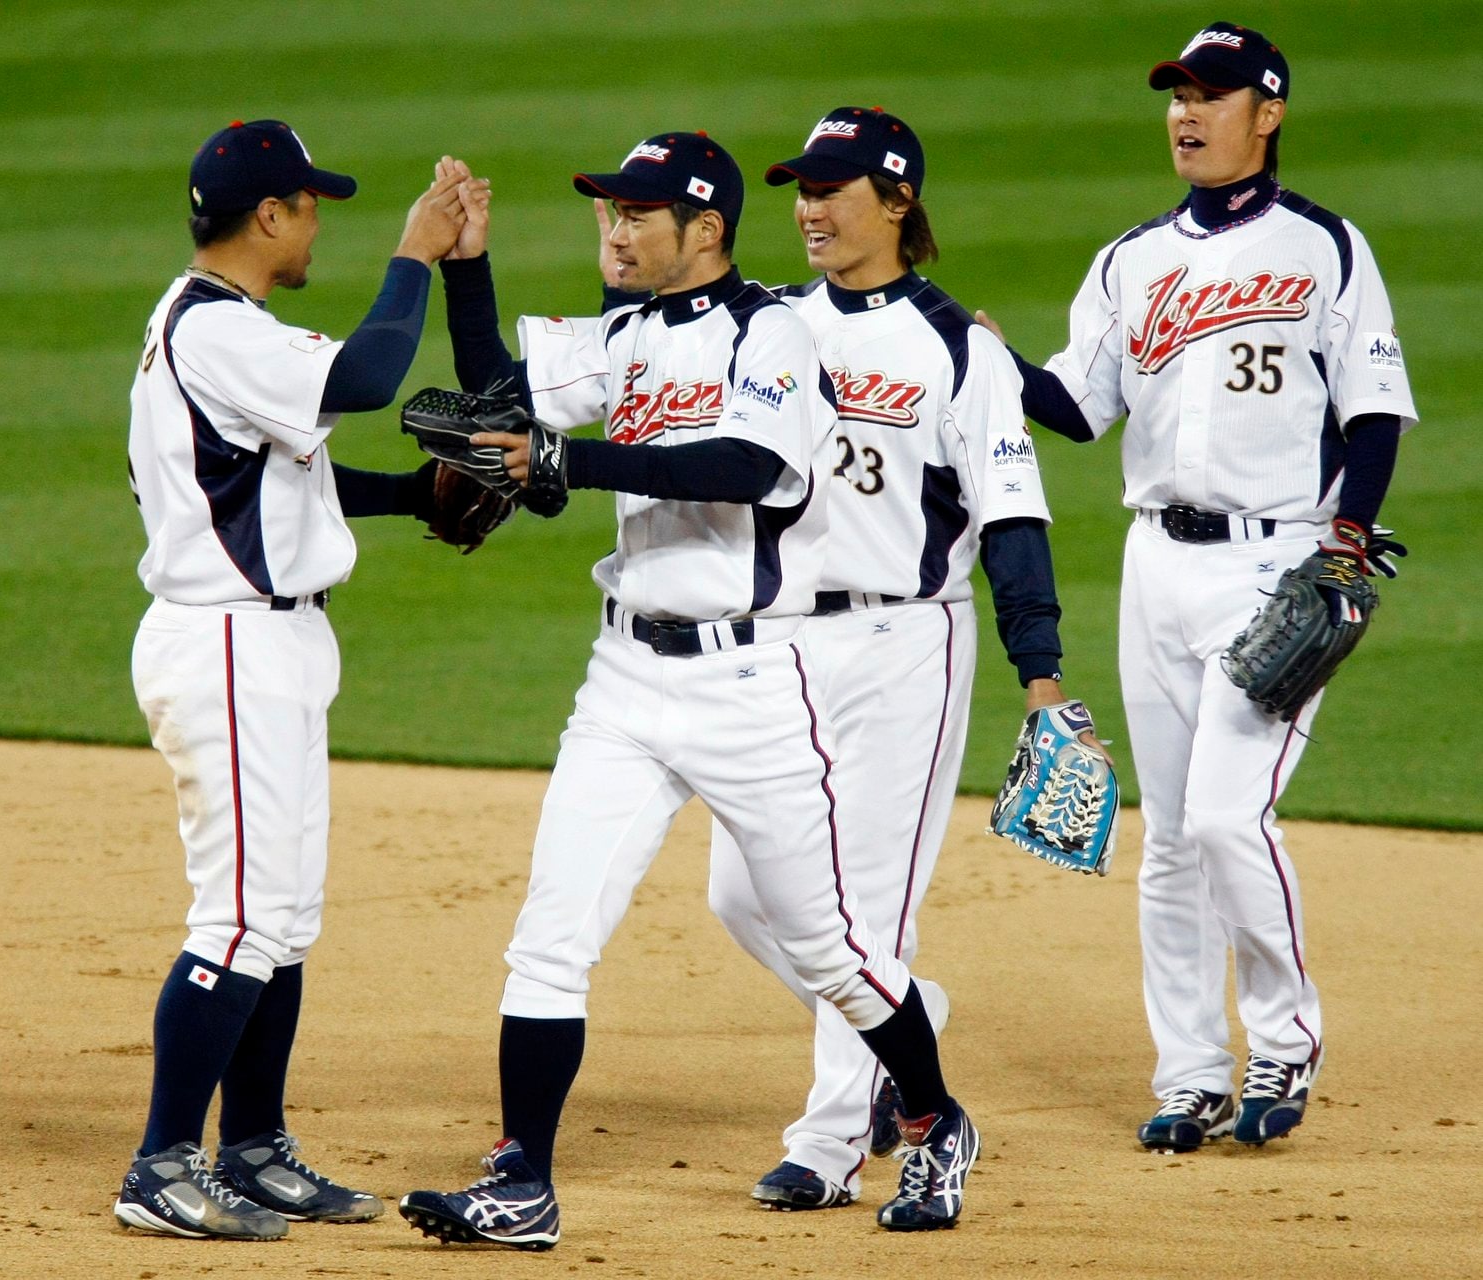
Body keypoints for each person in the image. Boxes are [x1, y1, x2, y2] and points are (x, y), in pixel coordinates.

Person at [398, 132, 978, 1248]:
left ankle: (931, 1113)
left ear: (704, 229)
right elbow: (501, 399)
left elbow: (749, 467)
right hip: (622, 677)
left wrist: (580, 464)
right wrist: (469, 265)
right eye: (606, 211)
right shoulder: (623, 337)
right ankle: (523, 1178)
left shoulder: (774, 332)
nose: (614, 230)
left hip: (751, 681)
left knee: (831, 948)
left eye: (636, 214)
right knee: (550, 935)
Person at [977, 23, 1416, 1153]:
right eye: (1176, 93)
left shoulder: (1324, 245)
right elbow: (1079, 408)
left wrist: (1350, 543)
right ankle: (1191, 1073)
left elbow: (1372, 406)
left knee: (1229, 816)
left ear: (1266, 112)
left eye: (1211, 95)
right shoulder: (1132, 260)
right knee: (1169, 834)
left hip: (1281, 559)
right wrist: (995, 363)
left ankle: (1283, 1040)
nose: (1185, 112)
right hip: (1154, 564)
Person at [683, 107, 1096, 1211]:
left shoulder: (964, 347)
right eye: (801, 189)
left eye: (833, 187)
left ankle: (829, 1146)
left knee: (859, 909)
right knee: (740, 889)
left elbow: (1014, 519)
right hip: (777, 641)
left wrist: (1042, 673)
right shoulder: (766, 324)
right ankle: (900, 1014)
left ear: (898, 200)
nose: (809, 208)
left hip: (911, 639)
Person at [116, 118, 467, 1240]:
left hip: (270, 643)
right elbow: (366, 373)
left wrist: (414, 495)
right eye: (311, 204)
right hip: (226, 643)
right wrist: (416, 251)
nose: (320, 219)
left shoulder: (229, 331)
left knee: (287, 917)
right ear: (268, 215)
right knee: (241, 916)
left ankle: (253, 1145)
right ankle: (160, 1164)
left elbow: (274, 484)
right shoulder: (215, 327)